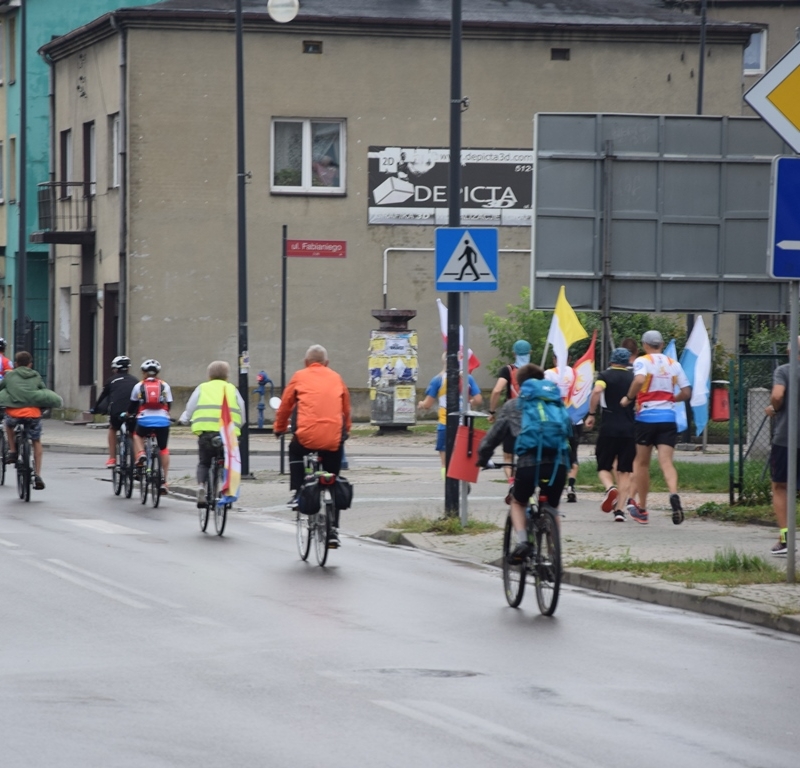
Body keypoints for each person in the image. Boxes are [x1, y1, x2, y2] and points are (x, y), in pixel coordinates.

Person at [477, 363, 572, 563]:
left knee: (518, 501)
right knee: (552, 507)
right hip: (558, 465)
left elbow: (493, 437)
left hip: (529, 464)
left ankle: (523, 542)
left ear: (519, 385)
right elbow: (569, 433)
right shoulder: (556, 403)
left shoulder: (514, 405)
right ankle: (554, 555)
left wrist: (482, 458)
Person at [273, 345, 351, 547]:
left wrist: (279, 428)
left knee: (294, 449)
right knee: (332, 480)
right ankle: (333, 530)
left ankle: (298, 492)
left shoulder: (299, 376)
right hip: (333, 439)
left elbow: (285, 406)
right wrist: (346, 431)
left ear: (306, 362)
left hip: (306, 436)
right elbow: (346, 409)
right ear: (327, 362)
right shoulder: (337, 377)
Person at [622, 330, 691, 525]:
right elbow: (686, 392)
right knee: (666, 462)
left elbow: (639, 380)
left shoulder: (642, 361)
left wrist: (628, 398)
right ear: (661, 344)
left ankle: (642, 508)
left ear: (644, 345)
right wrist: (671, 399)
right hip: (668, 418)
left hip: (646, 418)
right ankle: (674, 494)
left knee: (641, 464)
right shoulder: (674, 364)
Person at [179, 360, 246, 508]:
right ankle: (226, 489)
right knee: (228, 463)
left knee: (204, 462)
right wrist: (237, 427)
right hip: (228, 436)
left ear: (209, 375)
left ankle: (202, 486)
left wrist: (184, 420)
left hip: (206, 433)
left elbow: (190, 408)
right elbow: (242, 413)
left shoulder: (202, 388)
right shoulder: (232, 389)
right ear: (227, 375)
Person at [584, 348, 636, 522]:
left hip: (609, 427)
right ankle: (620, 511)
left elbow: (597, 391)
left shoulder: (605, 376)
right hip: (629, 429)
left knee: (603, 466)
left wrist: (591, 413)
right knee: (625, 471)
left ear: (611, 360)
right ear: (627, 361)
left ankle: (609, 488)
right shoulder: (633, 378)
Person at [0, 350, 62, 490]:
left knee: (8, 424)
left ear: (15, 364)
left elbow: (1, 389)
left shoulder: (10, 376)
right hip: (33, 414)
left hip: (14, 413)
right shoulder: (36, 376)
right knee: (36, 440)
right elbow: (44, 391)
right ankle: (38, 475)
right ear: (30, 364)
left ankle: (13, 450)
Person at [417, 353, 483, 477]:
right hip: (464, 422)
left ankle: (447, 480)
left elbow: (427, 404)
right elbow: (478, 400)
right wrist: (470, 402)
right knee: (463, 454)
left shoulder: (438, 379)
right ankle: (462, 480)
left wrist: (421, 404)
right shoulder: (467, 378)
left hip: (445, 422)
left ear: (443, 362)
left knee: (445, 457)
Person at [765, 339, 800, 556]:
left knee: (780, 486)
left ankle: (786, 539)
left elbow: (778, 395)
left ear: (789, 351)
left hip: (788, 437)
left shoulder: (784, 370)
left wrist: (773, 408)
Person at [128, 359, 173, 494]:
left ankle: (141, 453)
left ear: (143, 372)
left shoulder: (139, 386)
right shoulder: (165, 386)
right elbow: (169, 404)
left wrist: (128, 414)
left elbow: (132, 405)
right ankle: (164, 482)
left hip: (144, 420)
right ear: (158, 372)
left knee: (137, 435)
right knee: (163, 449)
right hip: (163, 421)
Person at [487, 339, 530, 481]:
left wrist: (492, 411)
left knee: (508, 456)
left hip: (511, 418)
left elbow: (497, 390)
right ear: (530, 353)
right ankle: (525, 482)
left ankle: (511, 483)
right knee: (527, 454)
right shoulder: (535, 370)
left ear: (514, 353)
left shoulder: (508, 370)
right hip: (530, 417)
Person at [545, 361, 582, 502]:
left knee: (554, 453)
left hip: (555, 420)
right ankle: (571, 486)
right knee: (573, 454)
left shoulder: (549, 373)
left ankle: (553, 486)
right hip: (574, 419)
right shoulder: (576, 373)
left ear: (554, 358)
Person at [93, 356, 138, 468]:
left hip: (117, 412)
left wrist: (95, 408)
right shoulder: (135, 381)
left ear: (115, 369)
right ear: (128, 369)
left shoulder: (111, 381)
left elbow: (103, 396)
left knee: (113, 428)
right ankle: (137, 459)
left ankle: (112, 458)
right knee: (134, 433)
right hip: (133, 411)